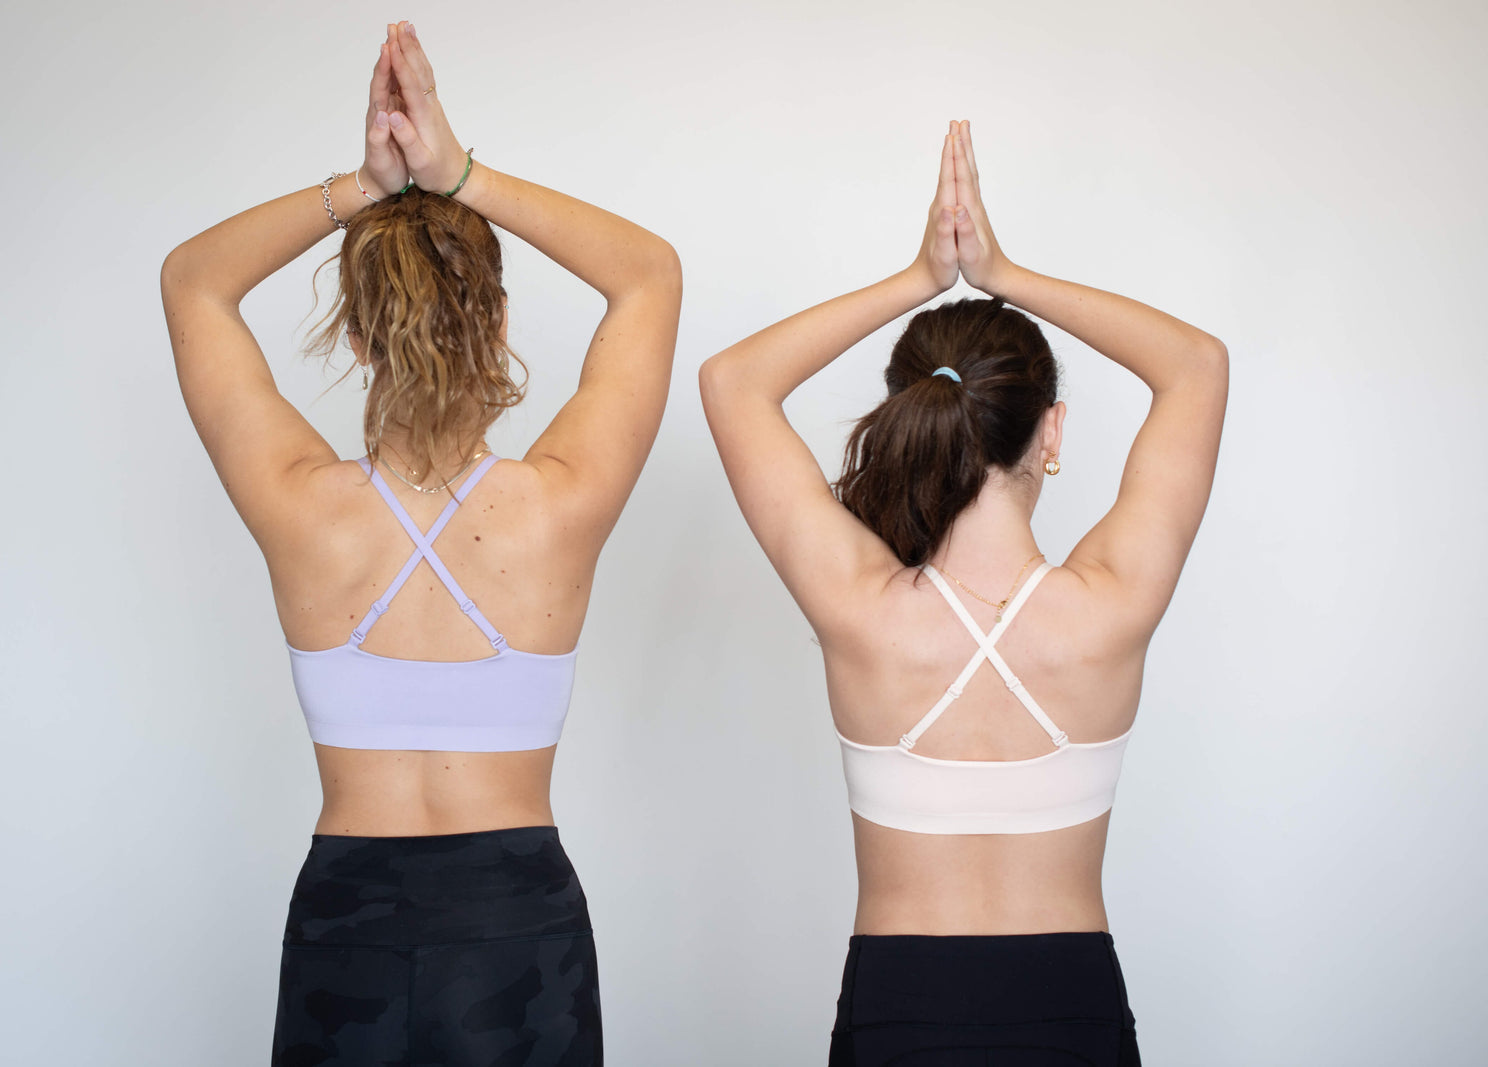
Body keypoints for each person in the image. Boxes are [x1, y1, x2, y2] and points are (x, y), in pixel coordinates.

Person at [160, 21, 680, 1065]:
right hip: (518, 928)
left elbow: (193, 281)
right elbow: (648, 275)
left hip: (345, 923)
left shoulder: (301, 508)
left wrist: (361, 185)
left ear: (353, 333)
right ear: (495, 321)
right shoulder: (561, 503)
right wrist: (462, 174)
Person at [700, 120, 1226, 1065]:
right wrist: (1002, 270)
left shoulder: (859, 608)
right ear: (1050, 430)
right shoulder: (1112, 606)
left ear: (915, 416)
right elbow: (1197, 364)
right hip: (1070, 1007)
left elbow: (732, 381)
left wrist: (922, 277)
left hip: (903, 1007)